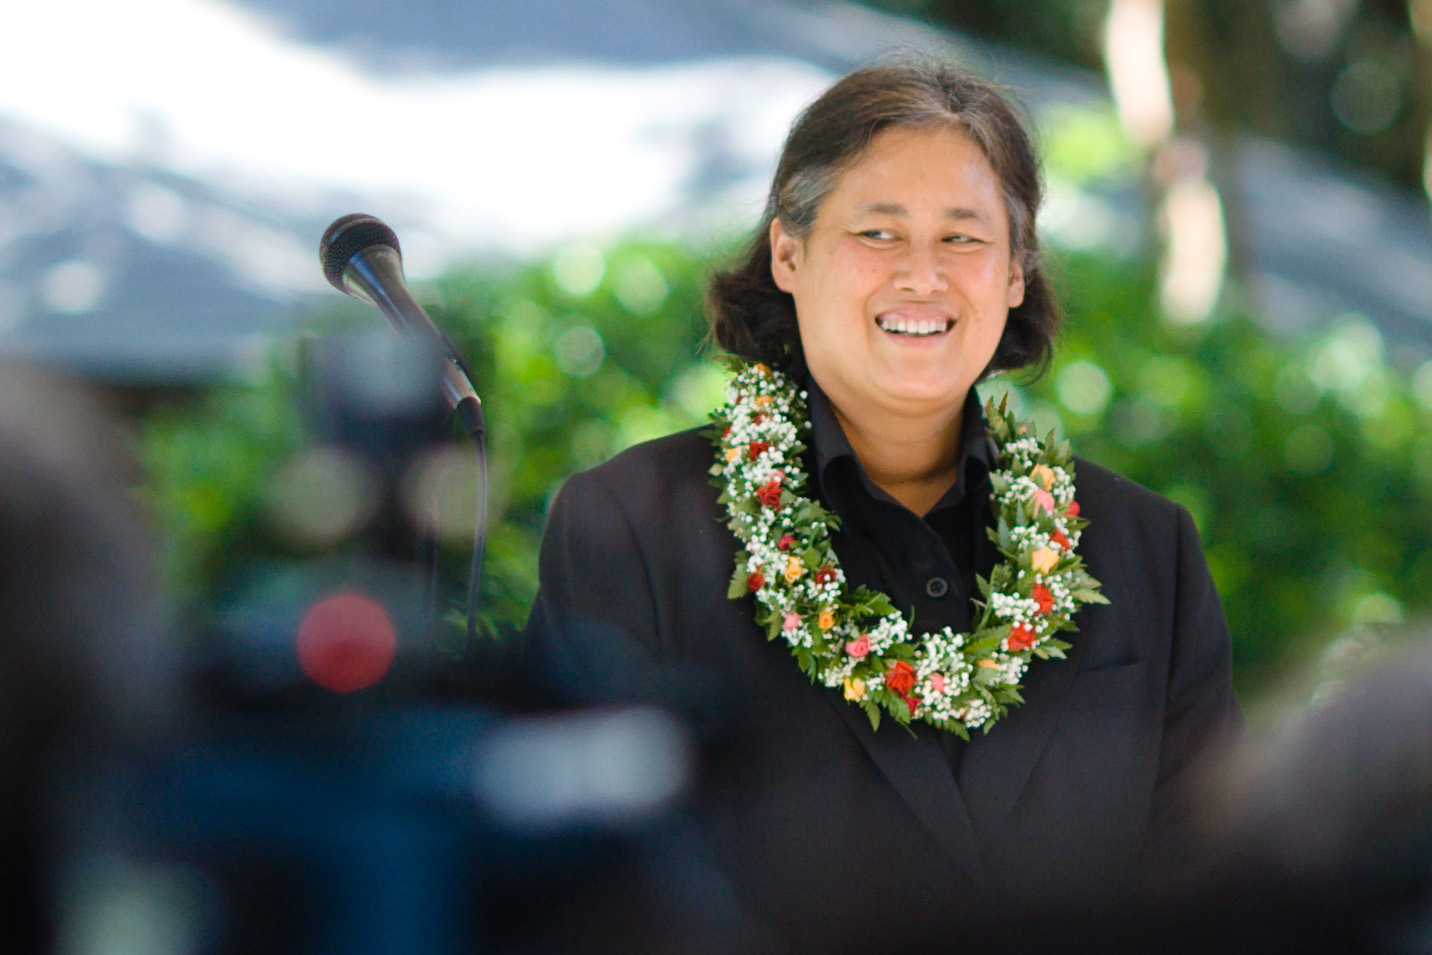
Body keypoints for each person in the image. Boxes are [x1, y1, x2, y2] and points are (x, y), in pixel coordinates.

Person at [525, 57, 1241, 951]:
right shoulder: (629, 525)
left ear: (1017, 270)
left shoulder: (1146, 548)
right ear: (789, 252)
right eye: (878, 232)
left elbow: (1211, 895)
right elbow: (588, 897)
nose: (923, 277)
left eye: (964, 238)